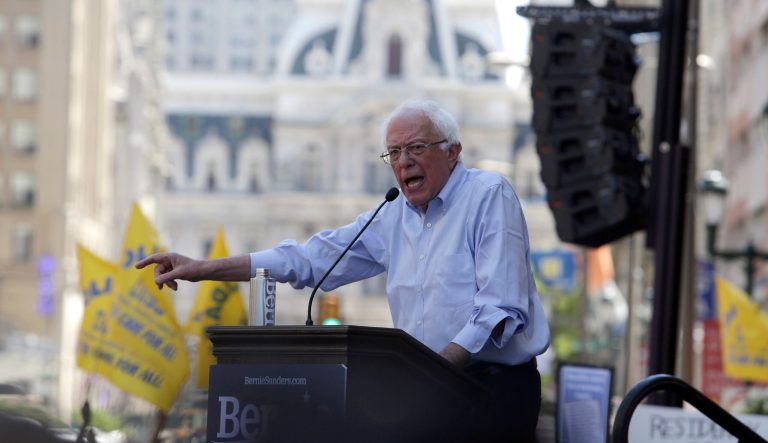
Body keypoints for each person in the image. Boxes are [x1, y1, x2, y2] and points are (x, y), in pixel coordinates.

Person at [137, 99, 550, 442]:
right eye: (394, 153)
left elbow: (499, 308)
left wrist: (430, 372)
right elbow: (309, 259)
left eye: (417, 148)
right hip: (432, 388)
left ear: (453, 151)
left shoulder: (488, 195)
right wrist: (204, 267)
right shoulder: (392, 216)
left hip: (492, 390)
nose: (403, 162)